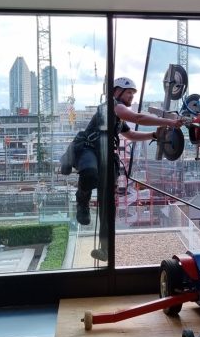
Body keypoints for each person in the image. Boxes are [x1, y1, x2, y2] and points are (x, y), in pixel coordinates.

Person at [72, 77, 183, 261]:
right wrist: (169, 123)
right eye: (129, 92)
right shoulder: (112, 105)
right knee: (90, 174)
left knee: (108, 206)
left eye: (133, 93)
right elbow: (137, 118)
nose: (132, 96)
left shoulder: (117, 117)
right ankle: (81, 201)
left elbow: (130, 134)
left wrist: (154, 134)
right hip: (90, 150)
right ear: (116, 92)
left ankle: (105, 249)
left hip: (106, 156)